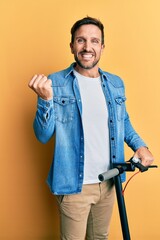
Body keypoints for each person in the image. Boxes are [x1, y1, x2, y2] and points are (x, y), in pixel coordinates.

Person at [28, 16, 154, 240]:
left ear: (102, 47)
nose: (87, 47)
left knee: (100, 238)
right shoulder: (55, 82)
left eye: (94, 41)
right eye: (81, 40)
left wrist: (140, 146)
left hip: (109, 182)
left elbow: (123, 122)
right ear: (71, 46)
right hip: (74, 185)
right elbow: (42, 136)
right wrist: (46, 100)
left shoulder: (115, 84)